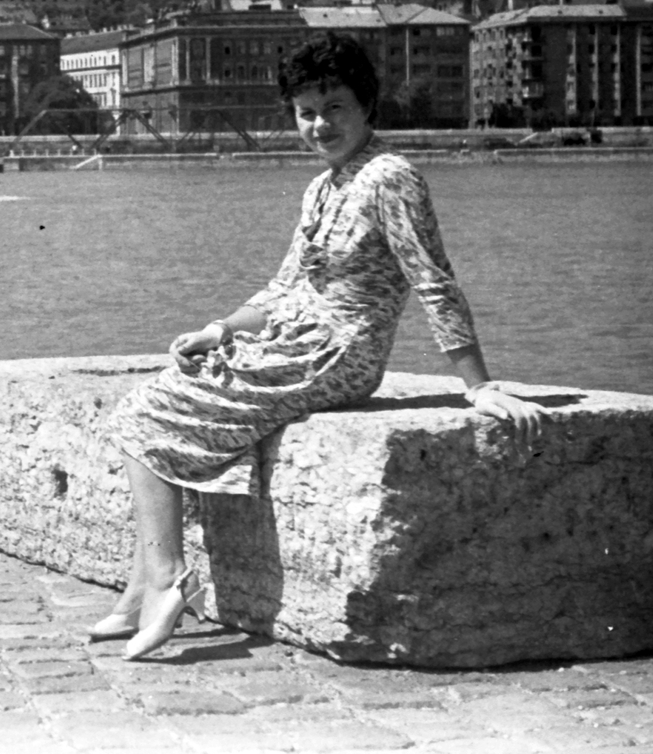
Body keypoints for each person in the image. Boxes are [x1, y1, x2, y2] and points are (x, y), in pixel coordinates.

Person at [91, 32, 547, 661]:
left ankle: (166, 581)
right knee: (152, 403)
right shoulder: (322, 187)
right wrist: (220, 329)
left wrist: (479, 385)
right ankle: (141, 585)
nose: (319, 125)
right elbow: (285, 288)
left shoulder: (390, 177)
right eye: (306, 112)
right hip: (295, 339)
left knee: (145, 414)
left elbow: (432, 280)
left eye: (334, 108)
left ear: (367, 106)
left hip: (338, 353)